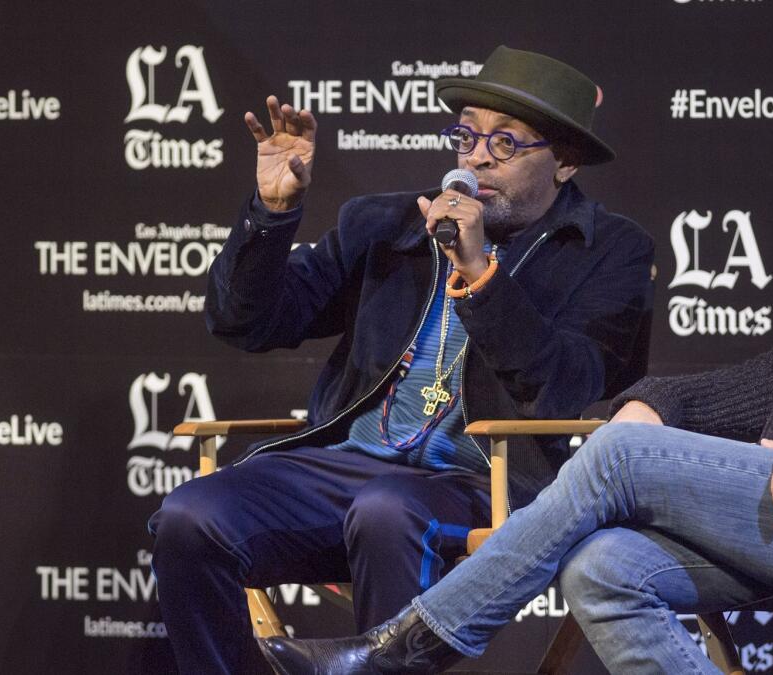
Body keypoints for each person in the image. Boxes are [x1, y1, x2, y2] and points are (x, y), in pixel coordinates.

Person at [260, 8, 773, 675]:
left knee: (617, 463)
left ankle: (407, 647)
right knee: (603, 564)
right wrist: (652, 403)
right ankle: (405, 645)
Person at [147, 46, 653, 675]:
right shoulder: (386, 224)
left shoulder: (609, 251)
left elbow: (564, 383)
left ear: (566, 162)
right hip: (348, 468)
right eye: (466, 136)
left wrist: (480, 275)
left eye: (504, 144)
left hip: (492, 486)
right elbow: (247, 323)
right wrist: (273, 216)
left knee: (388, 508)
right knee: (190, 516)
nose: (474, 158)